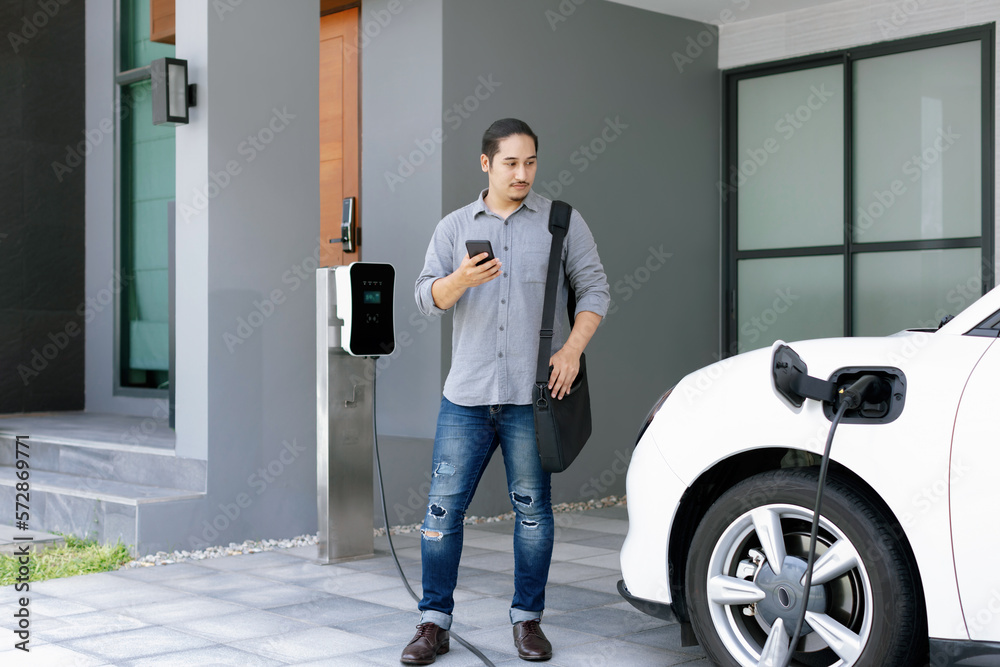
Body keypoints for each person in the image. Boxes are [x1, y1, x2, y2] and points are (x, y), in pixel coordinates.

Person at [402, 118, 610, 664]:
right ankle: (433, 623)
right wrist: (459, 282)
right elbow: (425, 297)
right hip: (465, 397)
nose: (522, 173)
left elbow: (595, 290)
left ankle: (527, 620)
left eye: (531, 162)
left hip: (530, 397)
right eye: (511, 163)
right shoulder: (453, 227)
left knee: (534, 514)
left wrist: (570, 350)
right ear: (486, 163)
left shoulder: (561, 222)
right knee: (440, 516)